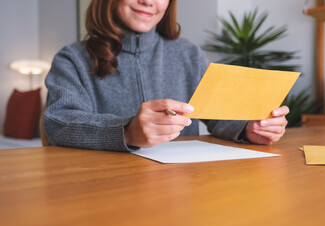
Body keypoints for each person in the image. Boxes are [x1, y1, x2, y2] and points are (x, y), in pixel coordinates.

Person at [44, 0, 289, 152]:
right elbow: (58, 121)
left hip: (180, 188)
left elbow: (218, 115)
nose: (148, 1)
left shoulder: (188, 53)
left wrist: (250, 128)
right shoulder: (72, 58)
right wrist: (126, 131)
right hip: (105, 186)